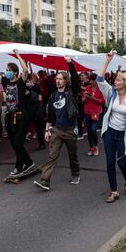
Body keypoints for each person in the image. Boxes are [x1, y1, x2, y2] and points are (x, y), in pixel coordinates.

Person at [97, 52, 126, 203]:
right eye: (115, 80)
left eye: (117, 80)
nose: (114, 82)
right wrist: (107, 61)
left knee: (122, 162)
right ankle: (114, 191)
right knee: (110, 162)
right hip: (110, 132)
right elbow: (99, 79)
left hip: (124, 135)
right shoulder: (111, 93)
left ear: (125, 82)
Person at [33, 56, 80, 191]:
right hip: (57, 130)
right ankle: (45, 181)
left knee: (73, 155)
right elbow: (50, 116)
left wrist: (69, 63)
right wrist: (47, 130)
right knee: (52, 156)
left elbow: (75, 79)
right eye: (57, 79)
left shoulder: (71, 92)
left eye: (60, 79)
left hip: (70, 129)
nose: (57, 81)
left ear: (65, 81)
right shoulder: (53, 95)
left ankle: (75, 174)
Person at [0, 50, 35, 177]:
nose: (7, 71)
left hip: (20, 117)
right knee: (14, 143)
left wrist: (18, 55)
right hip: (9, 116)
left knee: (18, 142)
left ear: (14, 72)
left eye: (9, 69)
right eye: (6, 69)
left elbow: (25, 70)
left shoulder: (20, 82)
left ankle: (19, 167)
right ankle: (28, 162)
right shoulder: (6, 81)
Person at [83, 73, 105, 156]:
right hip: (87, 112)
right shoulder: (87, 88)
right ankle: (91, 147)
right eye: (90, 80)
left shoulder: (101, 89)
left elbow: (102, 101)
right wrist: (84, 98)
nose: (91, 82)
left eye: (93, 80)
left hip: (96, 112)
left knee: (93, 130)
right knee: (89, 131)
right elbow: (83, 101)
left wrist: (94, 98)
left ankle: (96, 147)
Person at [25, 73, 46, 150]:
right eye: (27, 80)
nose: (28, 82)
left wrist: (31, 95)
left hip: (36, 111)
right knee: (24, 126)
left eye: (29, 80)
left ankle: (42, 144)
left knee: (39, 128)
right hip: (28, 111)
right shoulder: (26, 88)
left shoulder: (36, 87)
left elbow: (40, 98)